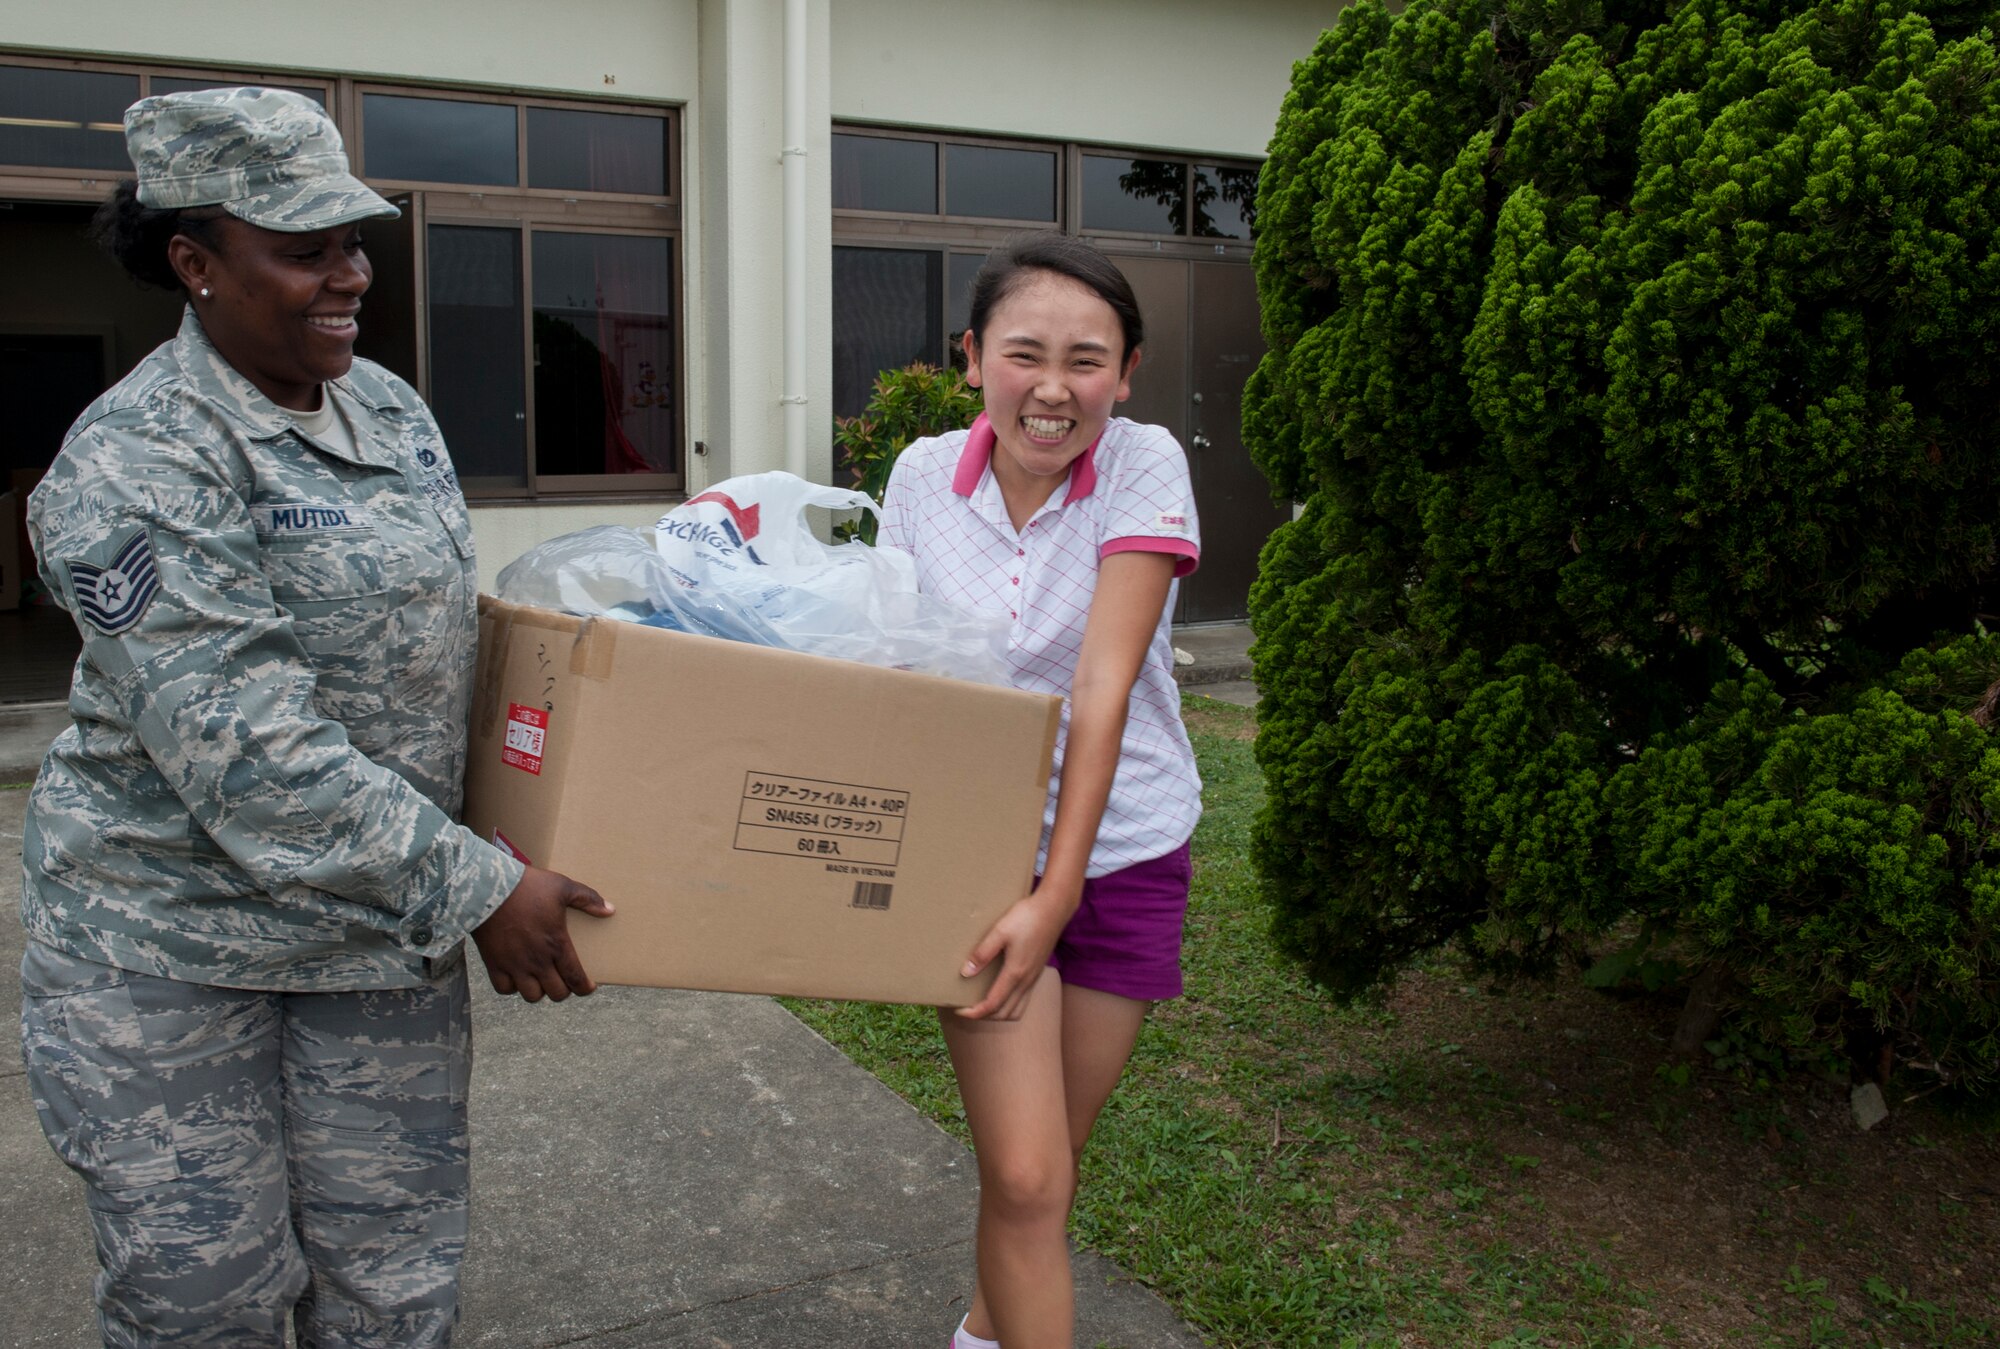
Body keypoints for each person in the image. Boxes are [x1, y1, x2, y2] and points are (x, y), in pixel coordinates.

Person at [18, 87, 612, 1347]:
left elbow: (441, 648)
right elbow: (248, 752)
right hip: (170, 956)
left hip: (368, 948)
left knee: (394, 1290)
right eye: (303, 250)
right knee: (205, 1305)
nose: (348, 275)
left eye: (352, 241)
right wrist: (477, 886)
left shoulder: (388, 412)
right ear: (193, 262)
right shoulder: (136, 459)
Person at [878, 232, 1202, 1349]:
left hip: (1127, 848)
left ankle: (979, 1331)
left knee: (1050, 1164)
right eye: (1024, 354)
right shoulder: (922, 474)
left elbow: (1100, 683)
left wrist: (1057, 893)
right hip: (978, 857)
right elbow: (895, 664)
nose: (1053, 389)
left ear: (1127, 369)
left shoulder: (1145, 459)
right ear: (971, 358)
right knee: (1022, 1176)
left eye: (1086, 360)